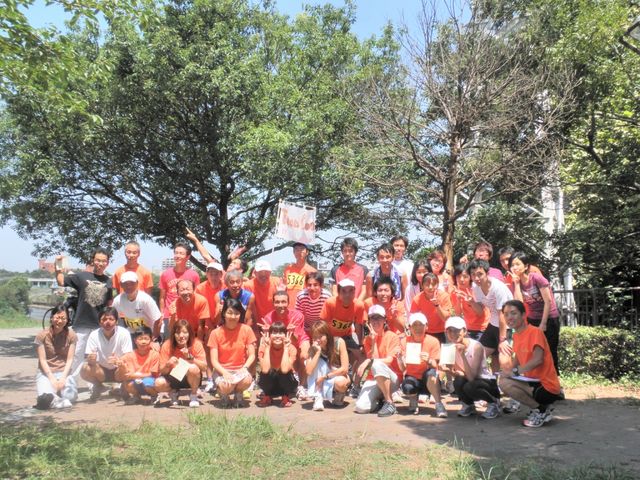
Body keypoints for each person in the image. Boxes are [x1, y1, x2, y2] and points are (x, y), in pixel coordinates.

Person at [499, 300, 563, 427]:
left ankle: (540, 410)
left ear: (524, 315)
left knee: (505, 384)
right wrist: (508, 372)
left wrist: (515, 372)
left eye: (513, 313)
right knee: (504, 380)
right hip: (533, 382)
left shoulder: (535, 332)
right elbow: (518, 357)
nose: (509, 317)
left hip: (546, 386)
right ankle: (542, 407)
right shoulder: (517, 335)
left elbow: (538, 360)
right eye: (506, 314)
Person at [55, 247, 113, 376]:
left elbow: (109, 304)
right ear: (93, 261)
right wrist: (58, 264)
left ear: (107, 263)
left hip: (99, 326)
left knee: (97, 358)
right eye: (98, 260)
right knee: (76, 356)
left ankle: (95, 384)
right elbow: (61, 281)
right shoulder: (81, 276)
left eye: (104, 261)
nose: (100, 263)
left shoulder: (108, 281)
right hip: (81, 324)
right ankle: (69, 384)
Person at [509, 251, 560, 373]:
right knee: (533, 350)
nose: (514, 267)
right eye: (512, 265)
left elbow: (548, 301)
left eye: (517, 264)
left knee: (550, 350)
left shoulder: (536, 278)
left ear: (526, 266)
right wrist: (516, 284)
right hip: (533, 318)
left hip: (549, 318)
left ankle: (554, 378)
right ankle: (536, 377)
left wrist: (543, 323)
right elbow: (519, 303)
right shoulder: (516, 281)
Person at [442, 316, 501, 419]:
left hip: (485, 382)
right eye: (449, 330)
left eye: (457, 330)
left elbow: (472, 377)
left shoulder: (476, 346)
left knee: (469, 386)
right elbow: (461, 374)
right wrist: (449, 371)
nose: (453, 333)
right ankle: (469, 405)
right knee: (458, 381)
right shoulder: (450, 348)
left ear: (464, 331)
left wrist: (462, 355)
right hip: (470, 379)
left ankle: (493, 403)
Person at [259, 291, 310, 399]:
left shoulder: (297, 316)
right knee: (264, 343)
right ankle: (269, 382)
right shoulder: (268, 318)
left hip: (297, 339)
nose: (280, 305)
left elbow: (295, 341)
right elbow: (269, 340)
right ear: (273, 303)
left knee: (304, 355)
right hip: (279, 340)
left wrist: (291, 333)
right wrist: (266, 334)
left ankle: (302, 386)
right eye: (277, 302)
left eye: (283, 302)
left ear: (288, 303)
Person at [354, 305, 402, 417]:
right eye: (373, 318)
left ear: (385, 320)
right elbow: (373, 359)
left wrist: (368, 361)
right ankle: (380, 400)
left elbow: (388, 361)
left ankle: (389, 402)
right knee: (361, 408)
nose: (376, 321)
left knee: (377, 364)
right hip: (373, 379)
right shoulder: (367, 340)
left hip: (392, 379)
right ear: (369, 322)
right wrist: (373, 340)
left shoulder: (392, 336)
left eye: (379, 318)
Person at [208, 298, 256, 407]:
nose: (233, 316)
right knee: (226, 386)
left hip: (240, 369)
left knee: (247, 380)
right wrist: (224, 373)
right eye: (229, 313)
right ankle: (224, 394)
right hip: (222, 370)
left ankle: (238, 394)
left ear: (240, 314)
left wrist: (245, 368)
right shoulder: (215, 333)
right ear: (224, 313)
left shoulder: (247, 330)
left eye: (236, 313)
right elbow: (213, 360)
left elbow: (252, 355)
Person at [397, 312, 447, 417]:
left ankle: (438, 404)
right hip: (412, 377)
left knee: (431, 373)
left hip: (428, 378)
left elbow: (436, 366)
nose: (418, 328)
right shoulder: (404, 342)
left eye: (421, 325)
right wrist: (400, 359)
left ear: (426, 326)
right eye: (414, 325)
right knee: (407, 387)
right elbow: (403, 369)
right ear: (409, 327)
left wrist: (429, 360)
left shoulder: (433, 341)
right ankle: (413, 398)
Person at [319, 278, 366, 386]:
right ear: (338, 292)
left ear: (354, 292)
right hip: (330, 337)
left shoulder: (359, 305)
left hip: (346, 336)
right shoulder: (330, 303)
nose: (347, 295)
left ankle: (354, 381)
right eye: (344, 291)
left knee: (361, 356)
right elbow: (323, 324)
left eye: (350, 291)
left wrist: (360, 344)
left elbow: (358, 325)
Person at [468, 259, 513, 371]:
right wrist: (471, 302)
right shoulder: (475, 287)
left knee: (504, 362)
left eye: (480, 274)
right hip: (493, 324)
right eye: (473, 275)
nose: (476, 278)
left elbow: (502, 314)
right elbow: (480, 311)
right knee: (476, 356)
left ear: (487, 273)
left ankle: (512, 380)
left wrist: (502, 340)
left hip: (508, 325)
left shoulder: (498, 288)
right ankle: (490, 381)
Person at [80, 307, 133, 400]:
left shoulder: (124, 333)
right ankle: (98, 385)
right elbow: (89, 356)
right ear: (99, 322)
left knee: (127, 366)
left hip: (118, 370)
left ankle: (123, 386)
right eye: (104, 319)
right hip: (101, 372)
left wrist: (118, 360)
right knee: (85, 368)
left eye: (111, 319)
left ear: (116, 321)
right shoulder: (94, 334)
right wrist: (91, 359)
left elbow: (129, 355)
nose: (107, 322)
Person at [155, 319, 207, 407]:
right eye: (178, 333)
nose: (181, 336)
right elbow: (162, 371)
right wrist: (168, 364)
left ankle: (193, 395)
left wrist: (191, 358)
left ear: (190, 333)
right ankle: (173, 393)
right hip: (173, 376)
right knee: (158, 383)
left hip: (191, 376)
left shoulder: (196, 344)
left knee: (193, 368)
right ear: (173, 334)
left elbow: (204, 367)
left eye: (185, 332)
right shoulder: (167, 345)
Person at [34, 305, 77, 410]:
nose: (60, 321)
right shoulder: (41, 335)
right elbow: (42, 360)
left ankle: (57, 398)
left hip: (64, 372)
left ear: (67, 320)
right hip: (46, 373)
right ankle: (55, 397)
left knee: (71, 396)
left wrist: (63, 378)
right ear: (51, 318)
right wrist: (52, 379)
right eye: (57, 317)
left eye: (63, 318)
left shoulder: (72, 335)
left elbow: (70, 359)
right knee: (45, 397)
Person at [305, 320, 350, 411]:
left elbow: (345, 369)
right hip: (320, 378)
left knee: (341, 383)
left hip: (337, 374)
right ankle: (318, 397)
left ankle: (339, 393)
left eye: (320, 336)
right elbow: (308, 371)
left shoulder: (339, 342)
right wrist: (317, 353)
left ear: (327, 335)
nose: (318, 340)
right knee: (316, 362)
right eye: (315, 337)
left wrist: (325, 377)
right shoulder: (313, 347)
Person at [158, 242, 200, 337]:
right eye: (176, 253)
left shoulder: (194, 275)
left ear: (188, 257)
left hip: (187, 314)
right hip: (169, 315)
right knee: (169, 341)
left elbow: (196, 296)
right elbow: (162, 297)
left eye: (181, 253)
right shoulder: (165, 274)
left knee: (187, 341)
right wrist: (162, 313)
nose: (177, 256)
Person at [257, 322, 298, 407]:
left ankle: (285, 396)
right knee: (266, 373)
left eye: (281, 333)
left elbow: (285, 370)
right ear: (269, 335)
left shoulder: (291, 348)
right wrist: (267, 347)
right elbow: (265, 370)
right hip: (270, 385)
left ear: (286, 335)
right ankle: (267, 396)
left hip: (286, 384)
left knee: (284, 372)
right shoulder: (263, 347)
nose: (277, 336)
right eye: (274, 333)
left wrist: (286, 348)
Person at [112, 271, 162, 339]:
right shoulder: (117, 300)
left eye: (132, 283)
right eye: (125, 283)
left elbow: (158, 319)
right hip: (132, 333)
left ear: (137, 283)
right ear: (121, 285)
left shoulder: (146, 299)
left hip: (149, 332)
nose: (129, 286)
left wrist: (154, 338)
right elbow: (113, 317)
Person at [118, 326, 160, 405]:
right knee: (127, 384)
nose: (143, 342)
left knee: (147, 383)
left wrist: (136, 375)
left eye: (146, 339)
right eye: (140, 339)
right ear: (135, 341)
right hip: (135, 381)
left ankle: (154, 395)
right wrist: (117, 362)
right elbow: (120, 362)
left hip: (150, 381)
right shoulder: (130, 355)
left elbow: (153, 374)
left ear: (151, 340)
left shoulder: (155, 354)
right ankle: (136, 396)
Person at [410, 273, 452, 344]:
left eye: (433, 284)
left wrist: (437, 305)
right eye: (427, 285)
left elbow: (445, 318)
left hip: (443, 332)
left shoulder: (444, 296)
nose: (430, 287)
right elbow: (413, 319)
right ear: (422, 286)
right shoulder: (417, 299)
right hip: (425, 332)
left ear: (437, 285)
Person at [451, 263, 489, 340]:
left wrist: (472, 302)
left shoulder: (477, 289)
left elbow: (480, 313)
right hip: (468, 328)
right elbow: (458, 314)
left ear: (471, 277)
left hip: (483, 328)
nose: (461, 279)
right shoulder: (455, 292)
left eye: (465, 276)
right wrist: (458, 300)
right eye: (458, 276)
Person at [244, 260, 282, 331]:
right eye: (260, 272)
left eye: (266, 272)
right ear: (255, 273)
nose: (263, 275)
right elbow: (249, 309)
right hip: (257, 324)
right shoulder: (248, 285)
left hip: (275, 324)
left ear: (270, 273)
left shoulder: (277, 282)